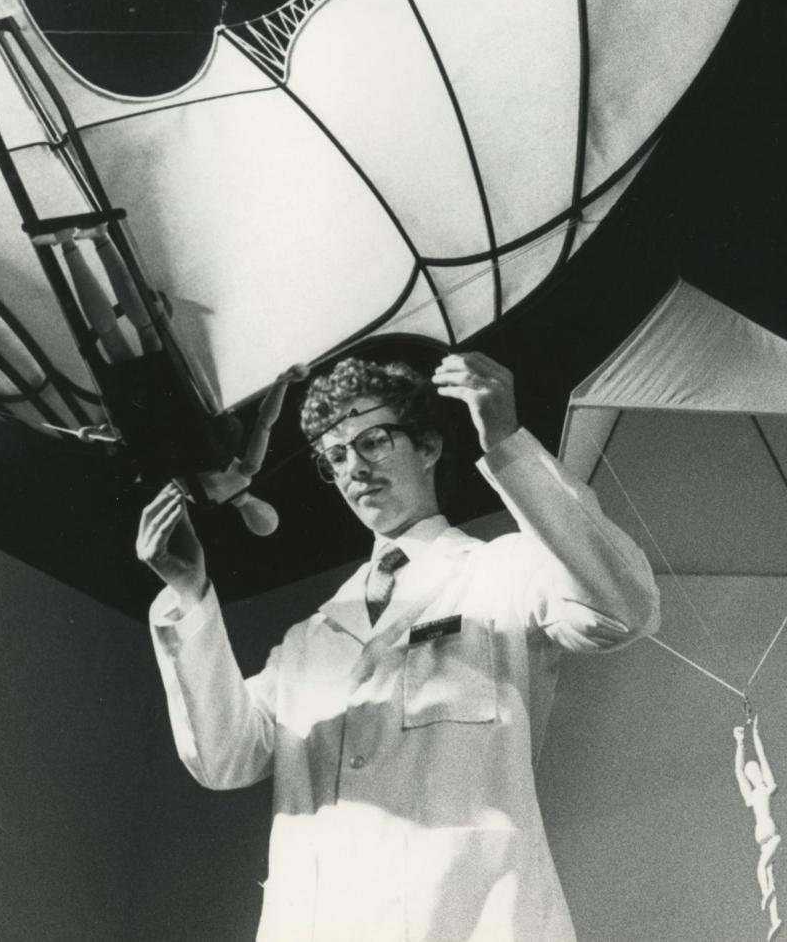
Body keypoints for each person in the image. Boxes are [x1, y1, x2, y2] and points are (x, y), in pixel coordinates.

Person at [137, 351, 661, 941]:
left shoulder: (503, 573)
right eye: (335, 457)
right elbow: (224, 758)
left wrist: (507, 442)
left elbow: (625, 610)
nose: (354, 468)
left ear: (429, 446)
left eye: (374, 441)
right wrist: (191, 591)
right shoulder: (309, 641)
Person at [733, 716, 782, 940]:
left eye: (754, 771)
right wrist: (740, 743)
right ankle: (774, 921)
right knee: (768, 876)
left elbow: (762, 756)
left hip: (771, 837)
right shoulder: (752, 795)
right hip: (764, 843)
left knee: (761, 871)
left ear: (759, 773)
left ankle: (766, 893)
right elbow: (738, 773)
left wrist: (755, 734)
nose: (751, 774)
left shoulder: (765, 787)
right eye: (750, 773)